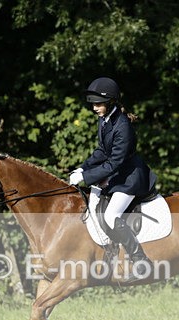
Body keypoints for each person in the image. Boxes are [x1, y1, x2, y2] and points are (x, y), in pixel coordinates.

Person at [69, 77, 155, 274]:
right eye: (93, 104)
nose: (94, 108)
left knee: (111, 215)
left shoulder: (122, 126)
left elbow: (114, 162)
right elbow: (102, 151)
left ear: (111, 102)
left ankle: (141, 262)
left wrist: (86, 177)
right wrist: (83, 168)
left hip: (130, 178)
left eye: (98, 104)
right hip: (116, 174)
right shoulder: (105, 119)